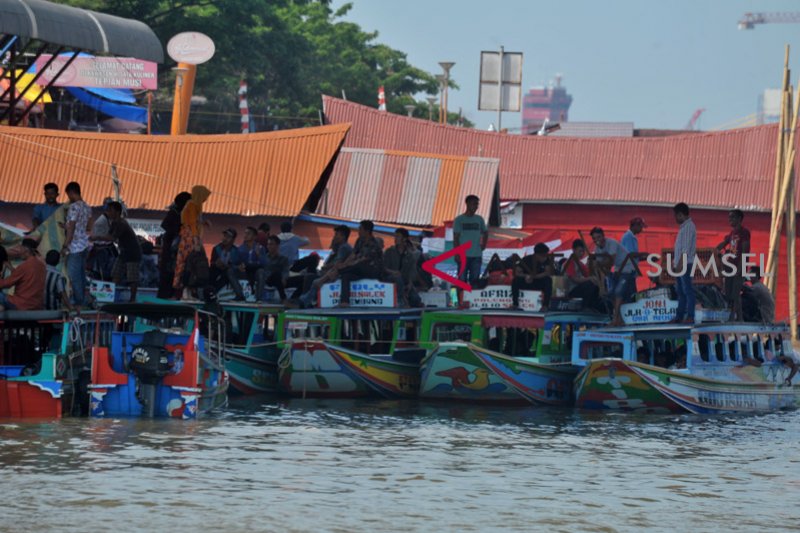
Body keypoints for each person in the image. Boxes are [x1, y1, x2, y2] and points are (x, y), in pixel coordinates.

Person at [295, 225, 353, 308]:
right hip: (331, 272)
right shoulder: (341, 248)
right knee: (309, 277)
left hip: (334, 274)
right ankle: (305, 300)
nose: (335, 237)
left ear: (343, 236)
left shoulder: (344, 248)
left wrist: (325, 267)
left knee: (310, 278)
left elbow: (337, 263)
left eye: (336, 235)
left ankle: (305, 301)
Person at [591, 227, 635, 326]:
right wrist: (602, 287)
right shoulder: (597, 249)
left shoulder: (611, 243)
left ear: (603, 236)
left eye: (598, 237)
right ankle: (619, 319)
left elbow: (610, 261)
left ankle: (616, 319)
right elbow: (603, 270)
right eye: (594, 238)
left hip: (627, 267)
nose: (596, 240)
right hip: (617, 269)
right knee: (611, 293)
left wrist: (599, 264)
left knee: (618, 292)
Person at [173, 186, 211, 294]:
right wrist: (196, 240)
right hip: (189, 237)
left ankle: (188, 292)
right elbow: (192, 224)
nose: (205, 199)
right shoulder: (193, 205)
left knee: (190, 263)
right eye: (204, 196)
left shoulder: (194, 205)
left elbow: (195, 222)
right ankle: (185, 291)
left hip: (190, 235)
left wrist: (204, 223)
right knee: (189, 263)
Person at [338, 220, 383, 307]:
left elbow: (362, 260)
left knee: (354, 266)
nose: (358, 231)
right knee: (345, 275)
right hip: (360, 269)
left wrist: (346, 265)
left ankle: (337, 272)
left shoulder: (374, 244)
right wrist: (344, 264)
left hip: (372, 270)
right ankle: (345, 301)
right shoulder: (359, 240)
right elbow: (353, 254)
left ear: (367, 231)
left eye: (360, 229)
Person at [716, 209, 750, 321]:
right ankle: (738, 318)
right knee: (730, 294)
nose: (730, 219)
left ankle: (735, 318)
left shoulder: (744, 232)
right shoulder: (732, 233)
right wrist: (716, 249)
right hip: (730, 267)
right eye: (729, 217)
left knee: (735, 293)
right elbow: (724, 243)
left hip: (739, 267)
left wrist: (740, 268)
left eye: (733, 217)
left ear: (740, 219)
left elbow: (745, 251)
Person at [62, 181, 92, 308]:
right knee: (81, 274)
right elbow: (89, 226)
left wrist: (65, 244)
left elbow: (72, 227)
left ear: (71, 192)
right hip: (84, 245)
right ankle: (83, 298)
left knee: (73, 275)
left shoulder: (73, 207)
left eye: (68, 195)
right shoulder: (87, 207)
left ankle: (78, 300)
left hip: (74, 246)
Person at [158, 191, 191, 299]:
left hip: (177, 255)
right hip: (170, 255)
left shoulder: (183, 214)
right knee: (167, 280)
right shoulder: (174, 213)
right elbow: (166, 226)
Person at [0, 239, 46, 311]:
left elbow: (7, 284)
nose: (19, 252)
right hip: (37, 305)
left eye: (20, 249)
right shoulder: (42, 266)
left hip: (22, 304)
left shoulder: (24, 266)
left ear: (25, 250)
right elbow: (23, 276)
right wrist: (11, 268)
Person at [453, 195, 487, 287]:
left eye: (477, 204)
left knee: (475, 281)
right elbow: (456, 237)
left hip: (476, 255)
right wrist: (456, 253)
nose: (476, 206)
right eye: (474, 204)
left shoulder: (479, 219)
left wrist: (484, 244)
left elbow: (485, 232)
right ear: (467, 204)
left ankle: (472, 300)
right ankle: (460, 300)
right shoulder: (459, 220)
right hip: (462, 255)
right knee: (462, 280)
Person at [383, 228, 422, 307]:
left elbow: (411, 272)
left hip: (404, 282)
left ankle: (412, 318)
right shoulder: (389, 252)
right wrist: (393, 272)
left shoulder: (410, 255)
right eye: (395, 236)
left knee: (416, 299)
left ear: (404, 239)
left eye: (398, 237)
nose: (395, 239)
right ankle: (401, 300)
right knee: (397, 278)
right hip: (390, 280)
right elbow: (383, 268)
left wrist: (410, 284)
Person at [673, 202, 697, 324]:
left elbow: (686, 249)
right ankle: (679, 316)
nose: (675, 219)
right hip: (682, 264)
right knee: (681, 291)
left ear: (681, 215)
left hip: (685, 264)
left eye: (676, 216)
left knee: (687, 290)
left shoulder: (689, 227)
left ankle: (690, 316)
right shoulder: (684, 227)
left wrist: (679, 265)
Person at [511, 242, 554, 310]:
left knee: (548, 280)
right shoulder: (526, 259)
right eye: (543, 256)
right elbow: (517, 272)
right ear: (537, 255)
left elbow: (547, 273)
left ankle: (545, 305)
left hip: (538, 281)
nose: (545, 257)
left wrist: (534, 277)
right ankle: (515, 304)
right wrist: (526, 276)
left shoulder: (547, 260)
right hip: (526, 281)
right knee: (515, 280)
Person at [564, 239, 601, 311]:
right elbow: (575, 279)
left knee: (595, 285)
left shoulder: (581, 264)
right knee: (589, 284)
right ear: (574, 250)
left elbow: (589, 275)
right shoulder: (569, 263)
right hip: (571, 291)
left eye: (583, 251)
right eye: (580, 251)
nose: (582, 253)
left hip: (580, 289)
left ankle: (593, 306)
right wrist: (590, 279)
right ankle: (585, 307)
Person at [210, 228, 244, 300]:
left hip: (229, 271)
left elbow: (239, 265)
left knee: (228, 272)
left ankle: (239, 295)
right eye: (224, 236)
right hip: (217, 270)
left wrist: (230, 265)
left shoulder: (236, 251)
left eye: (228, 237)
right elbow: (212, 262)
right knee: (211, 272)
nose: (225, 238)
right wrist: (216, 263)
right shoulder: (216, 248)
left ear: (233, 240)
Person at [88, 198, 116, 280]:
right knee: (103, 276)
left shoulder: (110, 220)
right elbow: (97, 239)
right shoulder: (101, 222)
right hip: (102, 252)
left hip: (108, 250)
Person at [237, 226, 268, 301]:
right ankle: (241, 296)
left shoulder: (260, 248)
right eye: (245, 233)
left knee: (261, 272)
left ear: (254, 236)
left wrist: (258, 254)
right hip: (245, 271)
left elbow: (265, 263)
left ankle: (259, 298)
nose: (245, 235)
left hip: (256, 271)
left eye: (248, 234)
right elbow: (236, 262)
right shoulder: (240, 249)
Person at [263, 235, 290, 302]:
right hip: (268, 279)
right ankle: (283, 298)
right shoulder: (264, 258)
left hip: (280, 280)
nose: (269, 246)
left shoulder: (283, 259)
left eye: (271, 244)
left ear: (277, 246)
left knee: (302, 279)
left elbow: (286, 270)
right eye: (268, 244)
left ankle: (297, 299)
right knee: (276, 274)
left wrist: (284, 278)